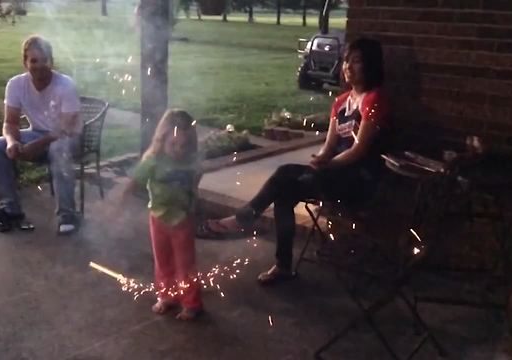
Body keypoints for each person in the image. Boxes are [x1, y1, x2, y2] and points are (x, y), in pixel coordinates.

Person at [198, 37, 391, 285]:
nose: (348, 67)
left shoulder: (375, 99)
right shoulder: (341, 102)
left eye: (356, 62)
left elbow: (359, 149)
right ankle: (283, 265)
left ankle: (244, 220)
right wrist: (321, 158)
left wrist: (327, 165)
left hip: (359, 180)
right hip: (333, 175)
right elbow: (330, 145)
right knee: (284, 192)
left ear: (371, 66)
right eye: (345, 61)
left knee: (285, 174)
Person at [0, 35, 82, 235]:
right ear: (25, 62)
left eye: (44, 60)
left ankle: (67, 214)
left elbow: (63, 129)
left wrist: (34, 146)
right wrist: (12, 142)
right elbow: (10, 123)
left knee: (57, 148)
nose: (39, 65)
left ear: (51, 61)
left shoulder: (66, 85)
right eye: (34, 61)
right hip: (37, 134)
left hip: (68, 137)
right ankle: (9, 208)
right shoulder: (16, 85)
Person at [123, 109, 203, 320]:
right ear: (161, 139)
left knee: (185, 263)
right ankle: (167, 296)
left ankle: (191, 303)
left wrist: (191, 198)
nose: (178, 150)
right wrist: (118, 202)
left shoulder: (191, 161)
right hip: (158, 218)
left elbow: (197, 177)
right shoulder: (153, 161)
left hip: (183, 219)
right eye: (173, 145)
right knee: (162, 260)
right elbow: (134, 181)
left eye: (184, 146)